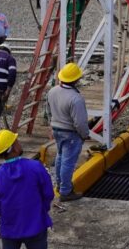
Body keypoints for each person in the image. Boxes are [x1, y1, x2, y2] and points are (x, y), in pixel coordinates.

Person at [0, 130, 54, 249]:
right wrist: (41, 210)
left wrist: (8, 214)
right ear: (14, 148)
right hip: (36, 225)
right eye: (16, 141)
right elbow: (48, 194)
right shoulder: (35, 167)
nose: (19, 143)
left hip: (10, 229)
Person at [46, 63, 88, 201]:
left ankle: (59, 185)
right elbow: (80, 122)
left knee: (60, 157)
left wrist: (51, 126)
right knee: (68, 162)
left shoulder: (52, 91)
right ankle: (65, 191)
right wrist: (84, 135)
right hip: (71, 133)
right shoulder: (76, 98)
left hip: (57, 130)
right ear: (76, 79)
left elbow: (48, 112)